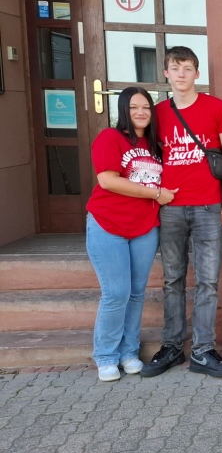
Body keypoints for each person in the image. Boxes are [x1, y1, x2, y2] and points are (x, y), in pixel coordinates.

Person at [145, 46, 222, 379]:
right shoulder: (157, 113)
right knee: (172, 280)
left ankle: (202, 351)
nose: (181, 74)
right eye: (175, 68)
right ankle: (172, 348)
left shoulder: (216, 107)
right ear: (166, 73)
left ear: (197, 74)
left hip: (209, 207)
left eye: (187, 68)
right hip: (170, 207)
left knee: (208, 282)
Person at [85, 88, 175, 381]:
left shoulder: (155, 145)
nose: (140, 112)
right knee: (116, 293)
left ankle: (128, 352)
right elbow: (108, 181)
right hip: (108, 224)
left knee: (136, 293)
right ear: (124, 109)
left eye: (146, 107)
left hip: (144, 228)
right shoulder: (110, 138)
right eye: (134, 107)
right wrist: (156, 193)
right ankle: (106, 356)